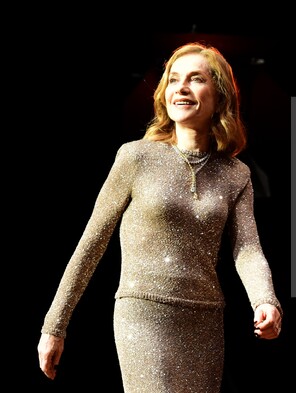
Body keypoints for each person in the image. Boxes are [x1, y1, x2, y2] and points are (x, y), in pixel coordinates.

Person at [37, 41, 283, 392]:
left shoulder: (236, 173)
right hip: (143, 314)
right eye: (173, 79)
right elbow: (91, 242)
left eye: (195, 79)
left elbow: (247, 248)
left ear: (220, 97)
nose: (181, 87)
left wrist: (265, 300)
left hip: (205, 319)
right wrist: (54, 326)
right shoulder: (135, 157)